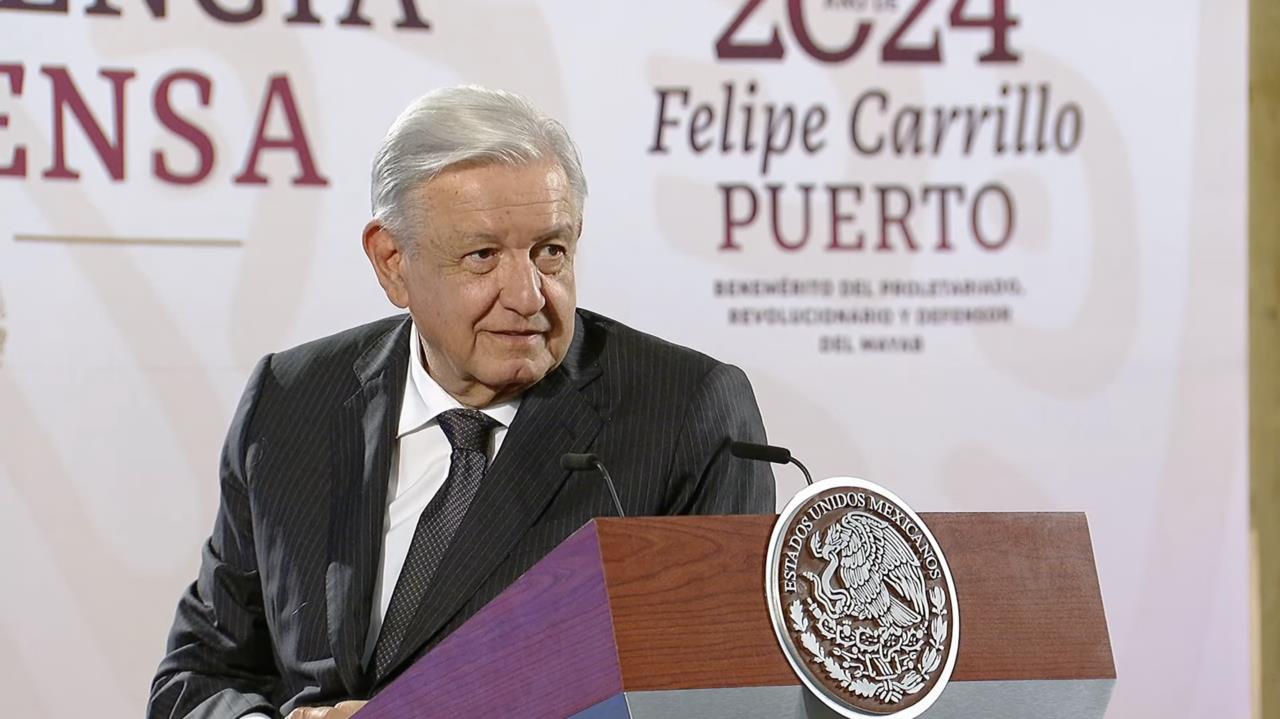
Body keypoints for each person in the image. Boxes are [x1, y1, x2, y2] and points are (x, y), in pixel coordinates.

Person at [147, 85, 775, 719]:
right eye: (483, 256)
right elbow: (198, 677)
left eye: (550, 251)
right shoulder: (291, 401)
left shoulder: (686, 414)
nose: (528, 295)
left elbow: (720, 700)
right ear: (392, 263)